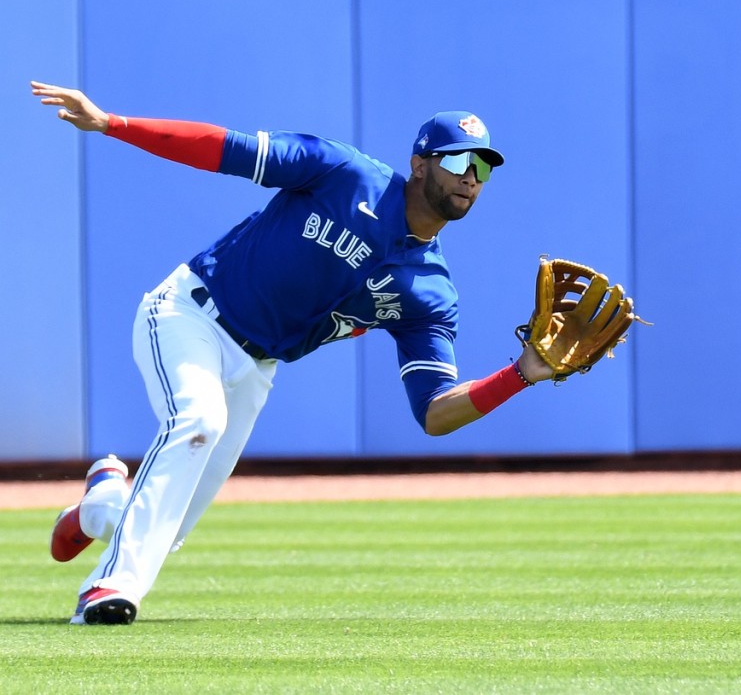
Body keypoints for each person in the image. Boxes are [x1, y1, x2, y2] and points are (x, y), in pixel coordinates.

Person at [31, 81, 555, 626]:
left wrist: (521, 374)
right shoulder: (342, 173)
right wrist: (112, 123)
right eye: (457, 160)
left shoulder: (430, 292)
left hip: (256, 368)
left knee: (168, 525)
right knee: (198, 420)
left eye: (483, 167)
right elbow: (220, 147)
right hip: (191, 314)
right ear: (420, 164)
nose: (471, 176)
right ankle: (108, 589)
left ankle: (101, 506)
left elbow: (435, 413)